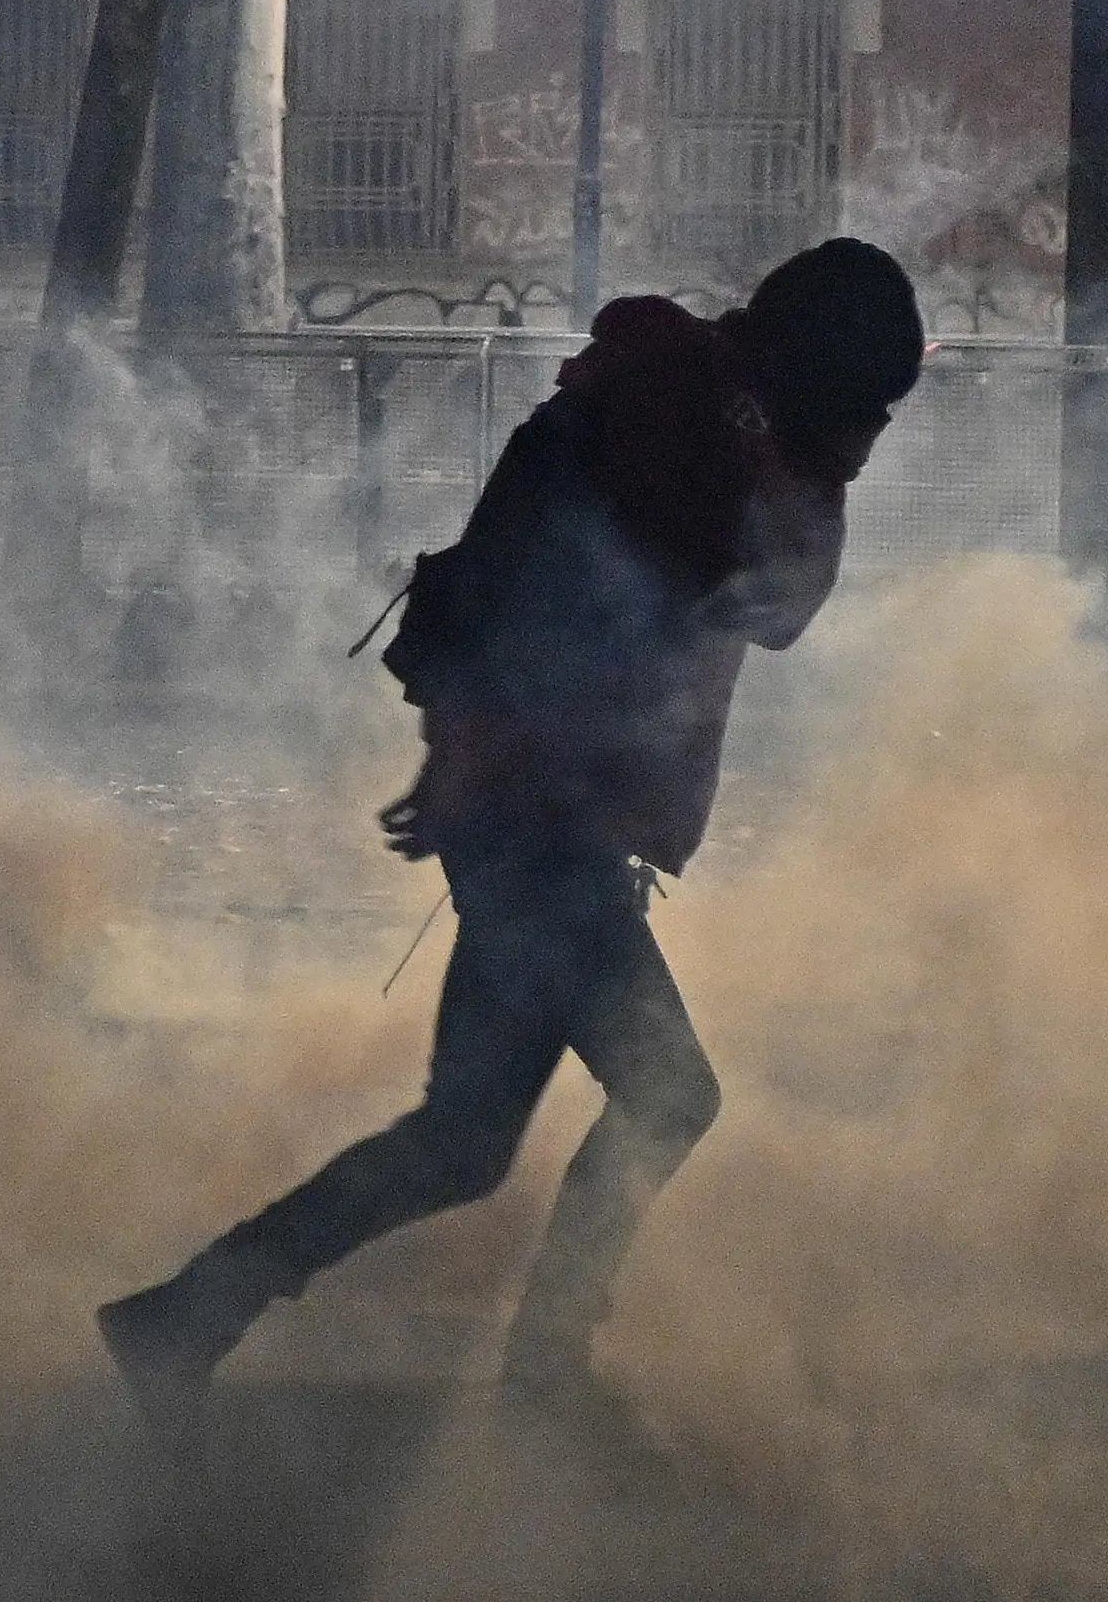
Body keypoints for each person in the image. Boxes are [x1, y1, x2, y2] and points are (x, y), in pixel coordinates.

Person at [97, 239, 929, 1457]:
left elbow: (765, 608)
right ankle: (542, 1374)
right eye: (868, 406)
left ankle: (185, 1316)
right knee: (667, 1093)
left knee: (465, 1140)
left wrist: (464, 756)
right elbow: (521, 587)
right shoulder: (666, 427)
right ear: (820, 375)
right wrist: (465, 755)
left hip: (547, 813)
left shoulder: (720, 437)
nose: (873, 434)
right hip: (540, 818)